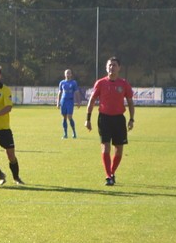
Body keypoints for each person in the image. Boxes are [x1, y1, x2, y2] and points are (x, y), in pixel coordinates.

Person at [84, 57, 135, 186]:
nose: (112, 67)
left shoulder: (124, 84)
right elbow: (92, 101)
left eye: (114, 65)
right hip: (104, 118)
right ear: (106, 68)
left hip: (119, 119)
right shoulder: (100, 83)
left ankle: (111, 172)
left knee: (119, 149)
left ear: (119, 68)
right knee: (105, 147)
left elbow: (130, 102)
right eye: (110, 65)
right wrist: (88, 119)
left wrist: (131, 119)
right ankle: (108, 176)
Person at [57, 69, 80, 138]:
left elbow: (76, 92)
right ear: (64, 74)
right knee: (64, 117)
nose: (68, 75)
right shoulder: (62, 83)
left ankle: (74, 132)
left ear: (71, 74)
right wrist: (58, 102)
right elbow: (60, 92)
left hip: (70, 101)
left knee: (69, 116)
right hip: (63, 101)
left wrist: (78, 102)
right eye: (67, 73)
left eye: (69, 73)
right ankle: (65, 134)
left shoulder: (73, 83)